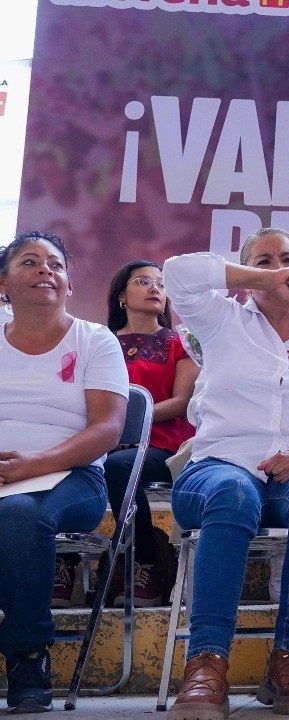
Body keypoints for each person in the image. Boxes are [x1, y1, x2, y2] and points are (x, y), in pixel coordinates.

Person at [162, 229, 289, 720]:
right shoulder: (220, 319)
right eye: (265, 260)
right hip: (216, 471)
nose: (280, 267)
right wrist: (263, 277)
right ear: (247, 271)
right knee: (234, 491)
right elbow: (177, 273)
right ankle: (206, 663)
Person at [0, 231, 129, 713]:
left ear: (69, 285)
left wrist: (33, 465)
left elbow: (107, 430)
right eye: (29, 263)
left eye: (55, 264)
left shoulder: (94, 340)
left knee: (17, 514)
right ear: (3, 284)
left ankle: (27, 655)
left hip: (70, 477)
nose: (45, 271)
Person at [93, 261, 198, 608]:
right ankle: (65, 561)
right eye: (143, 281)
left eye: (161, 284)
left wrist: (123, 425)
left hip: (162, 446)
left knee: (121, 465)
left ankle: (146, 560)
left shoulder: (179, 342)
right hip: (101, 443)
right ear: (122, 295)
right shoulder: (98, 342)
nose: (155, 288)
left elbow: (183, 402)